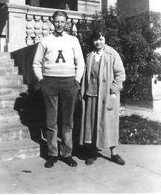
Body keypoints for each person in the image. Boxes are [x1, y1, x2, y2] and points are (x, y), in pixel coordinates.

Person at [33, 11, 85, 168]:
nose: (60, 24)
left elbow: (80, 63)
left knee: (67, 120)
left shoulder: (73, 40)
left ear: (67, 23)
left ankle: (67, 153)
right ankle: (52, 154)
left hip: (69, 82)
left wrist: (77, 81)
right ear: (52, 22)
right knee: (51, 120)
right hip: (49, 82)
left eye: (63, 22)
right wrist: (41, 80)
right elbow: (36, 63)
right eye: (57, 21)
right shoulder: (46, 40)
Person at [79, 28, 126, 165]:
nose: (98, 42)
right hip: (91, 95)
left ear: (105, 39)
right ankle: (92, 153)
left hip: (107, 96)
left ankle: (114, 153)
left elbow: (120, 74)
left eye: (101, 39)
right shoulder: (89, 56)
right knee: (92, 124)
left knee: (109, 124)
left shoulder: (112, 54)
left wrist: (113, 91)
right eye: (95, 39)